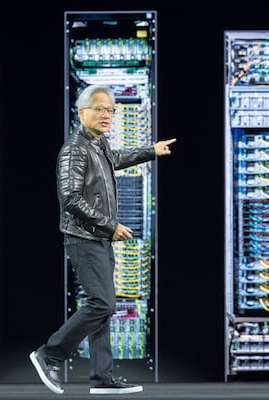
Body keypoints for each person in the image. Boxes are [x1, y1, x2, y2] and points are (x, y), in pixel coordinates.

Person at [29, 84, 176, 395]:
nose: (106, 114)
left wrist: (151, 150)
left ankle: (102, 378)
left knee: (104, 307)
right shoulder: (74, 149)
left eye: (110, 109)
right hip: (84, 237)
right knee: (102, 302)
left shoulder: (98, 144)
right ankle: (49, 354)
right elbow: (69, 198)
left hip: (98, 238)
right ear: (82, 113)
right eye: (99, 108)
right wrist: (110, 226)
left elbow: (116, 158)